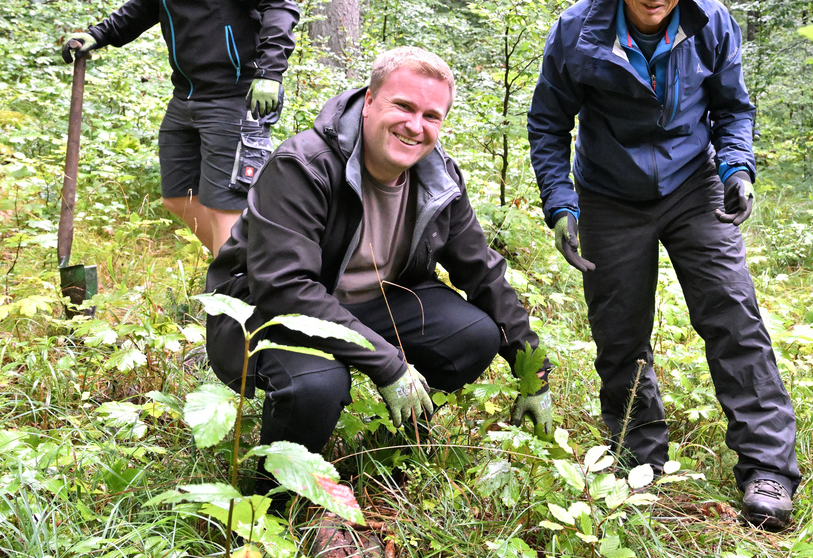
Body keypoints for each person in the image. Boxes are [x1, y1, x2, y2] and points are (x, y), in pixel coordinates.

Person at [527, 0, 799, 530]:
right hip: (608, 194)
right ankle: (637, 457)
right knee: (619, 332)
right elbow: (548, 122)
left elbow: (733, 108)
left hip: (693, 186)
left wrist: (737, 169)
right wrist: (560, 204)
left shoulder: (712, 23)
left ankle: (767, 471)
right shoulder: (577, 32)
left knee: (733, 315)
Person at [204, 47, 552, 488]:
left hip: (373, 303)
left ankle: (389, 447)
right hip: (266, 314)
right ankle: (273, 498)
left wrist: (532, 372)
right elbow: (284, 287)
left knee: (474, 336)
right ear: (369, 101)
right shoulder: (303, 166)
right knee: (318, 386)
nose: (415, 126)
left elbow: (482, 272)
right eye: (403, 106)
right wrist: (387, 364)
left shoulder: (439, 176)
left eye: (431, 115)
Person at [60, 0, 299, 258]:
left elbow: (279, 5)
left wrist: (270, 72)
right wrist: (97, 35)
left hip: (235, 97)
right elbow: (145, 5)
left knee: (226, 208)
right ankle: (246, 270)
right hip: (186, 97)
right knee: (178, 198)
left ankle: (233, 300)